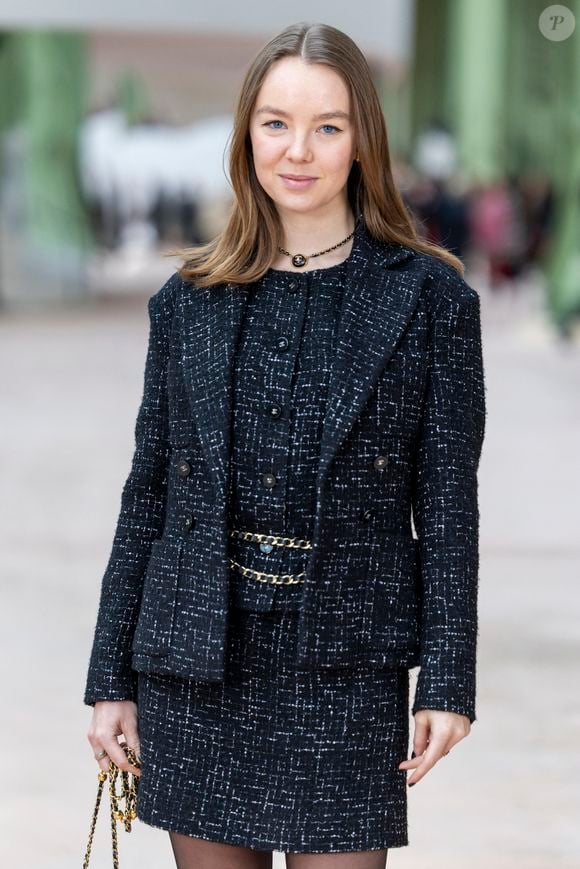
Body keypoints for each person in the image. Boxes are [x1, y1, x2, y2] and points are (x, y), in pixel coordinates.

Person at [84, 21, 487, 869]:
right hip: (197, 664)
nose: (297, 150)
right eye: (276, 123)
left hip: (346, 664)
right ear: (247, 135)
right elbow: (148, 492)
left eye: (327, 126)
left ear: (362, 140)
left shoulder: (429, 300)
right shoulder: (186, 300)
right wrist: (110, 677)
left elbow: (447, 504)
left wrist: (449, 679)